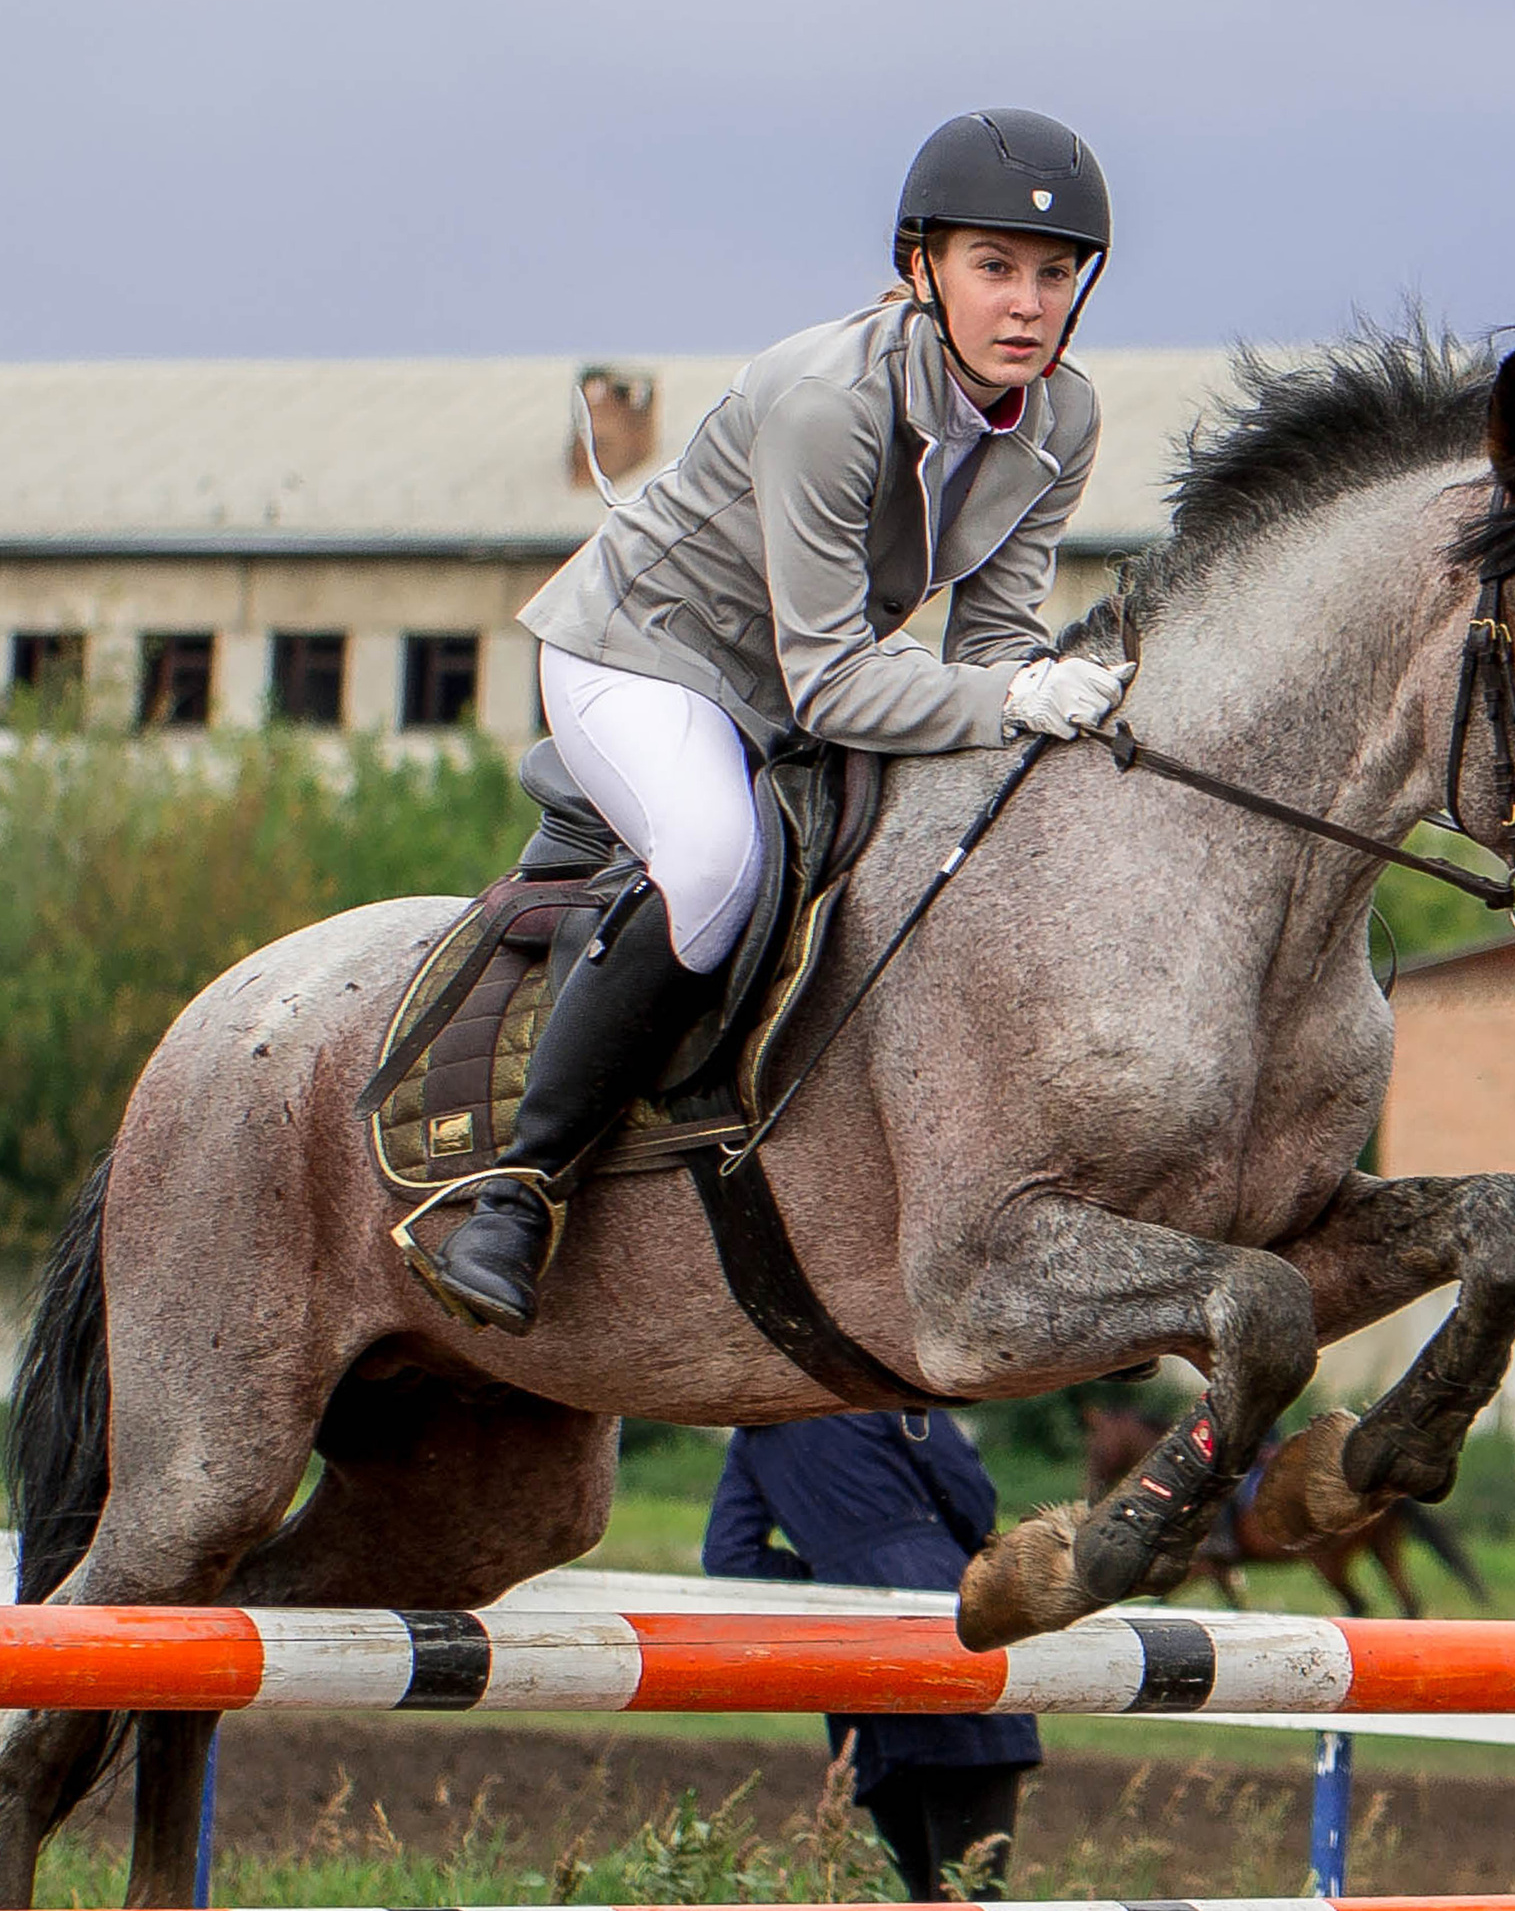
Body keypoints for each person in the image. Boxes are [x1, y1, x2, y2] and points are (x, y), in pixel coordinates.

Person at [424, 109, 1128, 1332]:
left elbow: (992, 643)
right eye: (994, 266)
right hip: (646, 656)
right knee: (713, 861)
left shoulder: (1061, 418)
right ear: (922, 267)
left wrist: (1045, 692)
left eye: (1054, 274)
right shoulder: (827, 398)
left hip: (803, 676)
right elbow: (835, 686)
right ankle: (519, 1191)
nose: (1028, 305)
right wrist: (1020, 697)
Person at [703, 1412, 1042, 1900]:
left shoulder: (755, 1431)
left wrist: (830, 1583)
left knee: (925, 1896)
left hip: (853, 1662)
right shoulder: (878, 1390)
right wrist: (955, 1560)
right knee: (970, 1894)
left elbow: (730, 1557)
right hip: (945, 1622)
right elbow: (966, 1489)